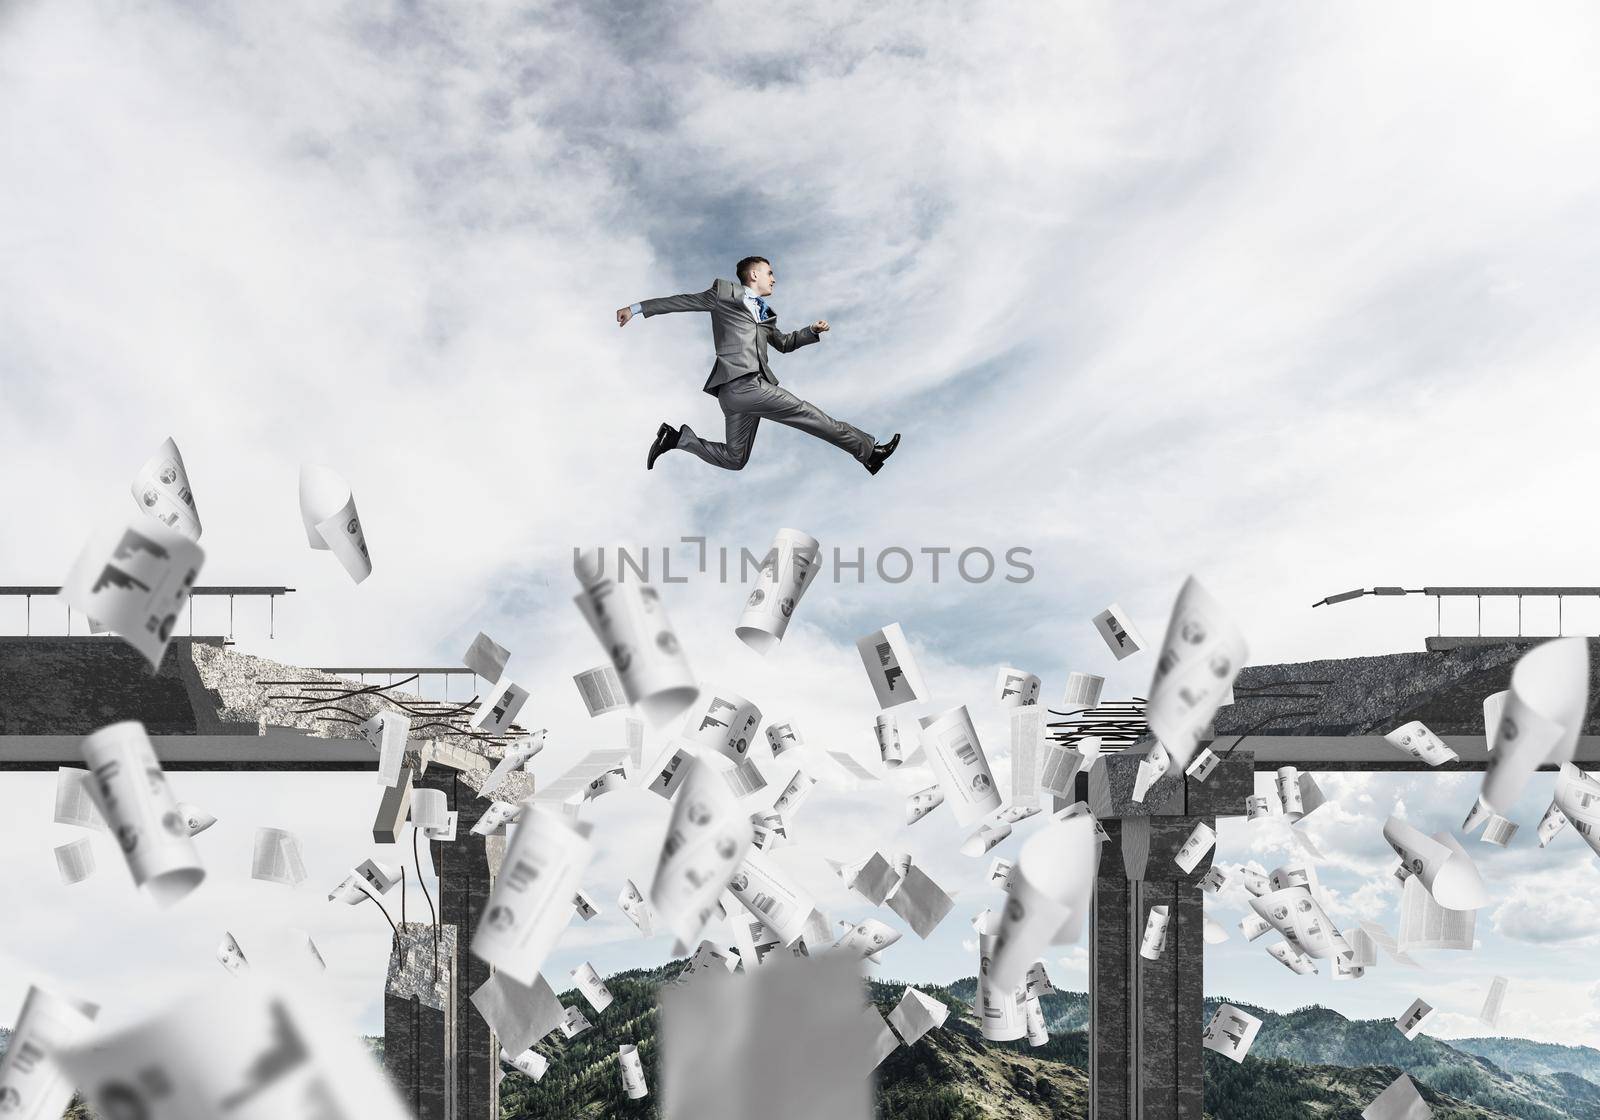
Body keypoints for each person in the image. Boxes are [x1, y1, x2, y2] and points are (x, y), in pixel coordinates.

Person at [617, 256, 900, 474]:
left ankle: (677, 440)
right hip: (745, 384)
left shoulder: (766, 314)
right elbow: (682, 302)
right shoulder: (723, 294)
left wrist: (811, 331)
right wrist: (636, 309)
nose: (774, 279)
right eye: (770, 272)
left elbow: (785, 343)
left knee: (735, 458)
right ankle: (869, 452)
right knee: (808, 414)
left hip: (735, 397)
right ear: (754, 275)